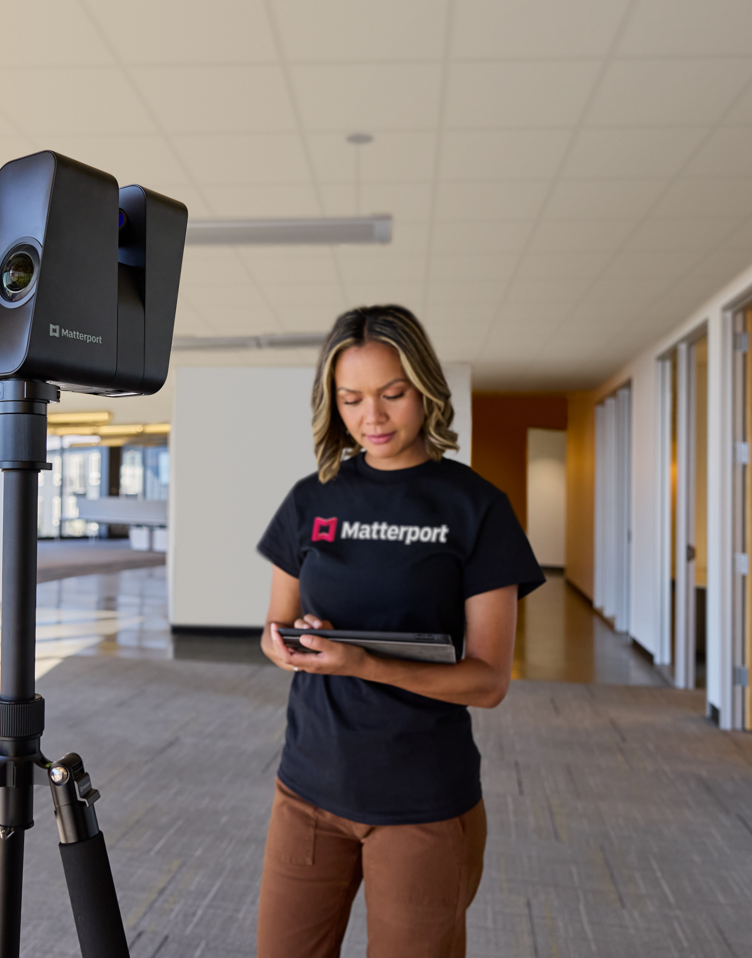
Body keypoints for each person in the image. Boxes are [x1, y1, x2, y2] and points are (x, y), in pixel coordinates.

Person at [254, 305, 544, 958]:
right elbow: (272, 632)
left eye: (392, 394)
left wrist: (359, 662)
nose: (372, 418)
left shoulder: (475, 509)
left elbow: (489, 681)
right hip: (306, 786)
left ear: (425, 389)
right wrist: (288, 643)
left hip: (420, 800)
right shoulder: (311, 499)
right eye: (351, 398)